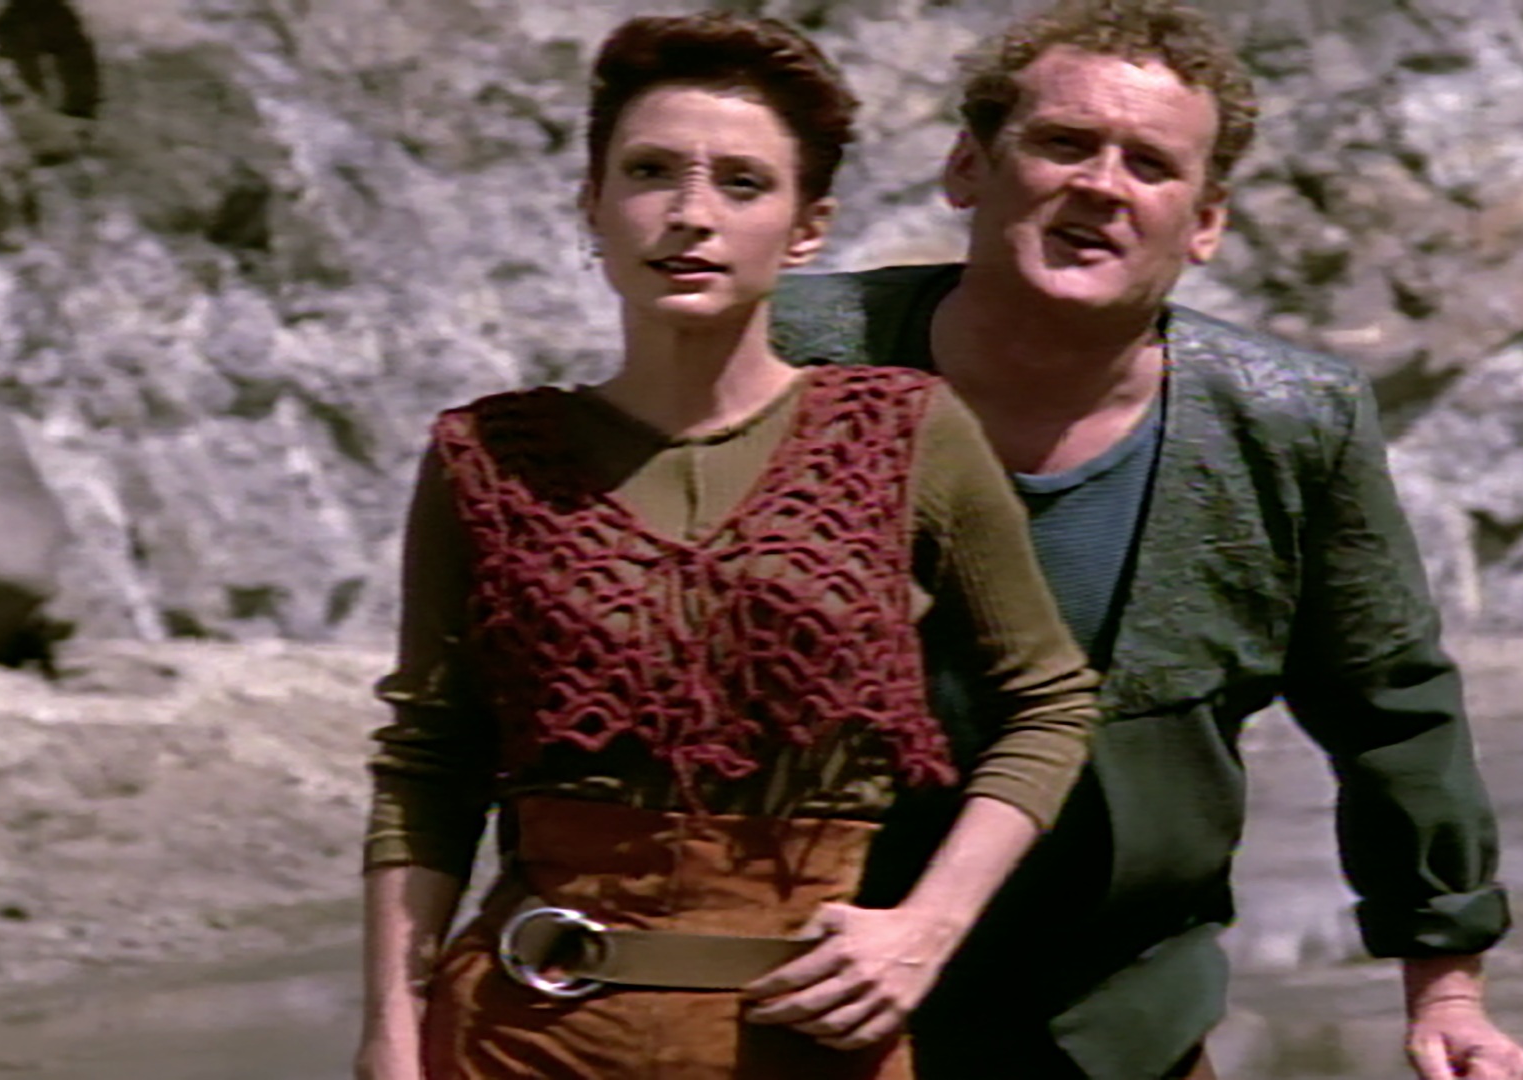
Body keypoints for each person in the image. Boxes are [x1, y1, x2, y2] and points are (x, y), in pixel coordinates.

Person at [765, 1, 1523, 1078]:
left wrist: (1447, 989)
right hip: (795, 992)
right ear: (967, 168)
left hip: (1111, 1024)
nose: (1102, 185)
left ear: (1204, 222)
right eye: (1064, 143)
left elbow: (1392, 709)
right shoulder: (789, 362)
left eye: (1150, 164)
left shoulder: (1285, 424)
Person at [355, 13, 1100, 1080]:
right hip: (523, 1036)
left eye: (743, 184)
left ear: (806, 228)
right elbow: (431, 761)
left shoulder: (902, 433)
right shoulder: (488, 457)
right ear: (593, 206)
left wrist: (927, 926)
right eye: (650, 172)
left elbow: (1050, 701)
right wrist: (390, 1028)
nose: (690, 215)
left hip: (808, 1034)